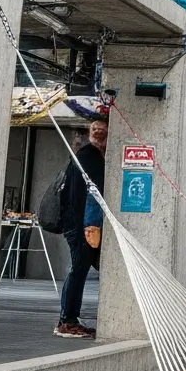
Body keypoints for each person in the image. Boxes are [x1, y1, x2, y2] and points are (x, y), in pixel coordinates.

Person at [55, 113, 108, 339]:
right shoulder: (91, 156)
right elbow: (93, 194)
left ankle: (70, 318)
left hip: (77, 223)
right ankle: (66, 321)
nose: (97, 132)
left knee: (80, 270)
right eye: (95, 129)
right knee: (78, 270)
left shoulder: (87, 155)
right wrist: (92, 226)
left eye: (101, 129)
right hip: (82, 225)